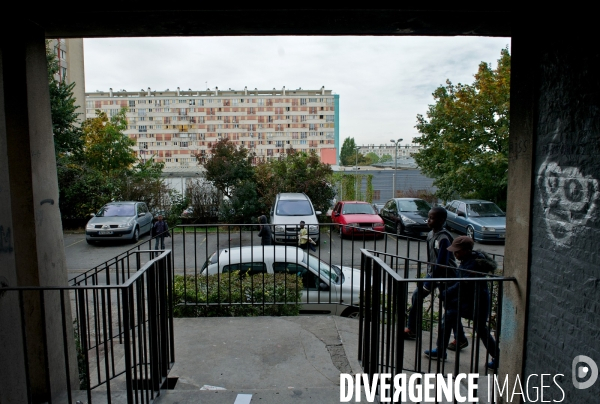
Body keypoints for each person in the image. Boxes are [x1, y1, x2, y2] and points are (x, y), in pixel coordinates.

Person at [424, 235, 499, 370]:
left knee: (480, 329)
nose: (455, 254)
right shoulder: (469, 260)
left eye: (457, 251)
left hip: (476, 302)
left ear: (466, 250)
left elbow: (463, 284)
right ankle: (443, 348)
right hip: (470, 300)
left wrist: (447, 293)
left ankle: (497, 357)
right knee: (450, 319)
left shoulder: (474, 264)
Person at [404, 207, 467, 350]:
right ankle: (412, 329)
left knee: (450, 308)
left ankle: (461, 339)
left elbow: (442, 263)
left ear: (441, 220)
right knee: (417, 296)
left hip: (446, 277)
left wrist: (429, 282)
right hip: (434, 273)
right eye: (429, 217)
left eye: (432, 218)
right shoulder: (431, 234)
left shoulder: (444, 237)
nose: (429, 220)